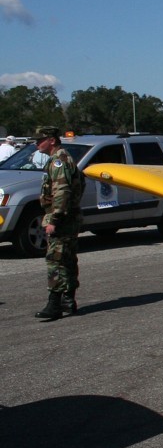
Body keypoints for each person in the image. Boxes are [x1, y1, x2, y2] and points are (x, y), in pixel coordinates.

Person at [33, 127, 84, 320]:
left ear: (52, 140)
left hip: (62, 219)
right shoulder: (64, 159)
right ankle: (68, 301)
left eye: (40, 140)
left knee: (55, 260)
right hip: (69, 217)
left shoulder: (58, 161)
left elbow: (62, 191)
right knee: (68, 259)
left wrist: (54, 219)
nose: (37, 143)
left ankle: (54, 304)